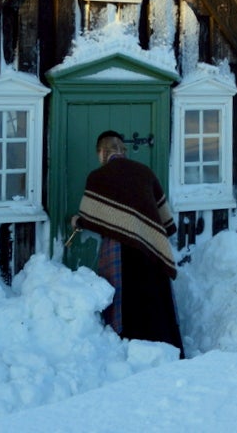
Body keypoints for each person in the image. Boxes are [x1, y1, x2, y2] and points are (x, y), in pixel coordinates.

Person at [71, 130, 182, 352]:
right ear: (124, 151)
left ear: (102, 152)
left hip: (120, 250)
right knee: (156, 302)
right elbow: (166, 223)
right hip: (152, 247)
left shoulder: (98, 176)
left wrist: (78, 221)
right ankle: (167, 348)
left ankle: (128, 349)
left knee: (126, 300)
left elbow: (92, 217)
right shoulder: (145, 173)